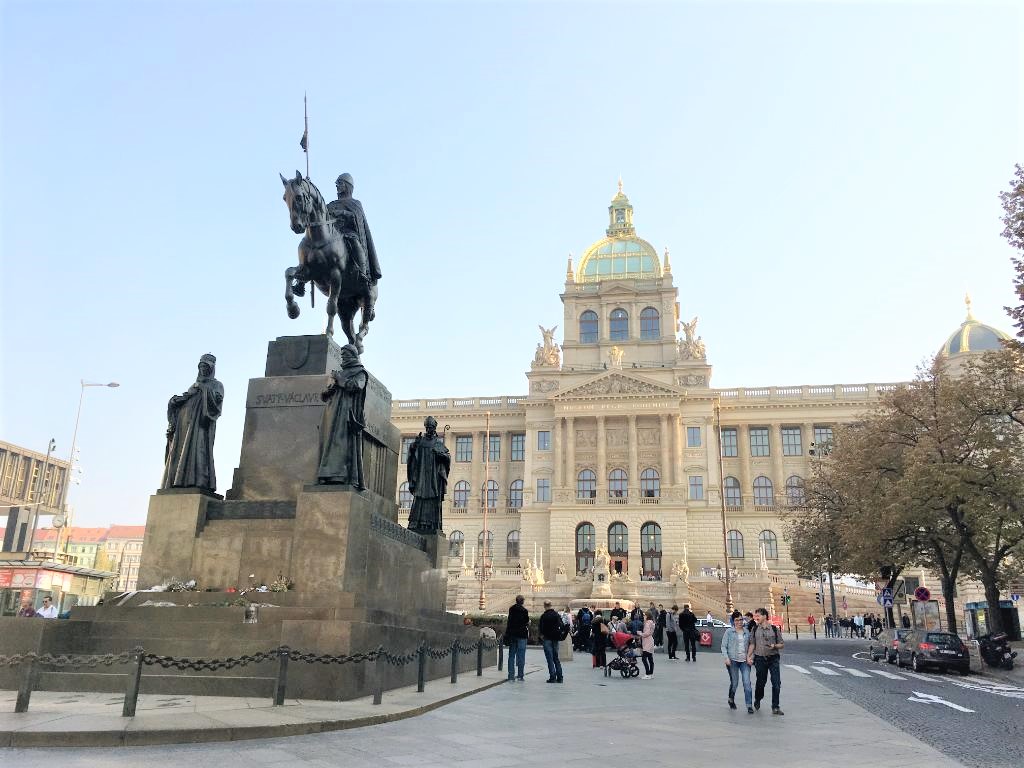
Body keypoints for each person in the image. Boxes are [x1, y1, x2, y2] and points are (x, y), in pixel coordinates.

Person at [162, 353, 224, 492]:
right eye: (201, 366)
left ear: (211, 368)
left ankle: (198, 481)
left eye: (206, 367)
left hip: (200, 425)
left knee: (199, 451)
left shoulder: (216, 385)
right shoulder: (193, 386)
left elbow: (216, 403)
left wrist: (203, 389)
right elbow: (187, 397)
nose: (203, 369)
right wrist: (175, 402)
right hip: (185, 425)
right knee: (181, 451)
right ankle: (178, 480)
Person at [316, 345, 369, 488]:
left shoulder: (360, 372)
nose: (343, 358)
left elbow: (356, 386)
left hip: (346, 414)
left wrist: (340, 380)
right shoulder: (341, 372)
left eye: (346, 355)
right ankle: (326, 475)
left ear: (353, 355)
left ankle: (340, 475)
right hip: (332, 414)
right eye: (342, 355)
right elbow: (326, 395)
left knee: (342, 445)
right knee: (330, 445)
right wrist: (329, 389)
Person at [326, 172, 382, 285]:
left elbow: (357, 219)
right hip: (332, 236)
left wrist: (341, 213)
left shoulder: (355, 203)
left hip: (348, 234)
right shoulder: (331, 204)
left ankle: (362, 273)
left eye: (339, 183)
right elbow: (321, 217)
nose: (337, 185)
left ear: (347, 186)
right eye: (337, 183)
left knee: (355, 243)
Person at [406, 416, 452, 533]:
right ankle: (416, 523)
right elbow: (412, 456)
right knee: (420, 498)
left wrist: (442, 456)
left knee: (432, 498)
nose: (429, 430)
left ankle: (432, 524)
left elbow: (447, 457)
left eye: (431, 427)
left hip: (433, 477)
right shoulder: (420, 441)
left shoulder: (438, 443)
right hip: (421, 475)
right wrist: (413, 446)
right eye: (428, 427)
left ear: (435, 428)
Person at [747, 607, 784, 715]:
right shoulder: (754, 629)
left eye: (758, 616)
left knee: (776, 683)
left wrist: (774, 645)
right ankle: (758, 699)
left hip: (773, 658)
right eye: (755, 616)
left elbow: (782, 644)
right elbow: (752, 644)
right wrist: (748, 656)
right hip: (760, 659)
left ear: (764, 616)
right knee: (760, 683)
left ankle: (775, 707)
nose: (756, 618)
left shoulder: (774, 628)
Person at [722, 613, 754, 713]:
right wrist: (726, 658)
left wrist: (750, 657)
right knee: (734, 683)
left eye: (741, 620)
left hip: (744, 661)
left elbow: (751, 645)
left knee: (747, 683)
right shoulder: (729, 632)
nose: (739, 622)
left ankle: (749, 705)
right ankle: (731, 699)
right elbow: (723, 646)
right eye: (737, 620)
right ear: (733, 621)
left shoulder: (747, 632)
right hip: (733, 661)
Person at [538, 601, 565, 684]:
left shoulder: (543, 616)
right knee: (556, 658)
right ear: (550, 605)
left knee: (550, 659)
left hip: (547, 639)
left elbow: (541, 628)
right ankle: (560, 677)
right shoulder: (556, 615)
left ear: (544, 606)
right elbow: (562, 625)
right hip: (555, 638)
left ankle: (552, 677)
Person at [504, 594, 529, 682]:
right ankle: (520, 676)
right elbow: (526, 622)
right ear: (522, 601)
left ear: (516, 601)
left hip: (513, 635)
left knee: (511, 656)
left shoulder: (511, 609)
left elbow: (509, 622)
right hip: (522, 635)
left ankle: (511, 676)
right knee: (521, 655)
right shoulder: (524, 611)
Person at [638, 608, 656, 679]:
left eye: (644, 615)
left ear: (647, 616)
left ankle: (647, 674)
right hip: (650, 641)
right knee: (650, 658)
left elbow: (647, 633)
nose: (644, 616)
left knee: (644, 658)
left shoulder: (647, 623)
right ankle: (651, 673)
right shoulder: (652, 622)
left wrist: (640, 633)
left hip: (647, 642)